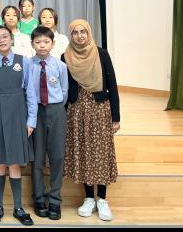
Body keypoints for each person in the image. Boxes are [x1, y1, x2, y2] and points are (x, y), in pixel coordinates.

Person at [62, 19, 120, 222]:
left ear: (88, 33)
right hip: (77, 110)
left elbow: (112, 84)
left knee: (101, 152)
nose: (80, 36)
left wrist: (116, 117)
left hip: (99, 108)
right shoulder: (65, 56)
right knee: (84, 152)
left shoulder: (101, 54)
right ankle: (88, 198)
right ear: (71, 35)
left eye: (83, 31)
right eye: (75, 32)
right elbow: (64, 87)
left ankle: (102, 199)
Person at [0, 26, 36, 225]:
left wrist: (31, 120)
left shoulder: (24, 61)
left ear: (11, 38)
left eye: (5, 36)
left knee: (14, 162)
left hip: (18, 114)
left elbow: (31, 93)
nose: (2, 40)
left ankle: (18, 207)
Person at [27, 26, 68, 221]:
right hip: (36, 111)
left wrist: (56, 107)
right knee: (37, 157)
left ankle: (55, 199)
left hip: (56, 110)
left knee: (57, 156)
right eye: (38, 42)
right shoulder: (28, 65)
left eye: (46, 42)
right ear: (32, 44)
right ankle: (39, 197)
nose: (42, 45)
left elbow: (64, 91)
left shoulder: (60, 66)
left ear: (53, 44)